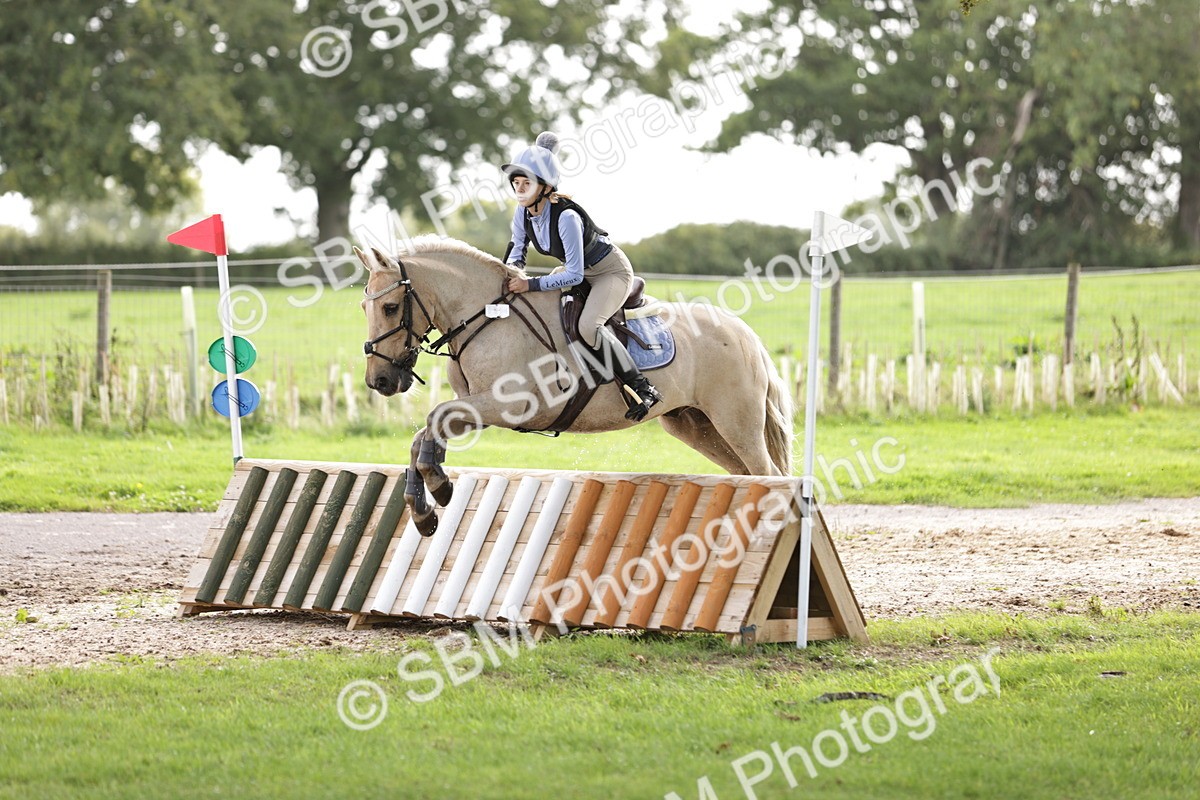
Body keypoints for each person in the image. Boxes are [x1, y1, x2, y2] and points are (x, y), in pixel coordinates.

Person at [501, 132, 663, 421]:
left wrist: (530, 283)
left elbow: (574, 275)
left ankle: (643, 387)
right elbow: (517, 251)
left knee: (589, 325)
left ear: (546, 186)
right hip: (581, 271)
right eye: (516, 183)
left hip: (608, 272)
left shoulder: (566, 217)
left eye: (527, 183)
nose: (520, 190)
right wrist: (511, 274)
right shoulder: (522, 213)